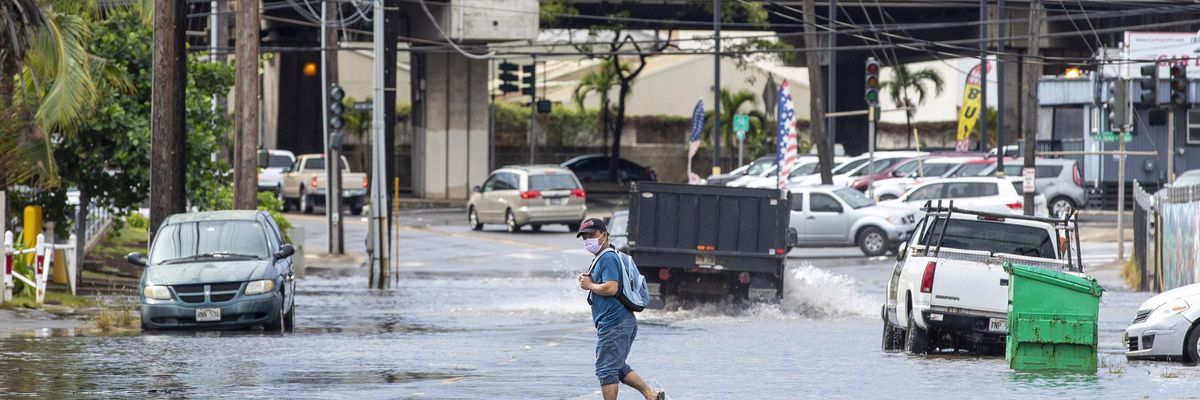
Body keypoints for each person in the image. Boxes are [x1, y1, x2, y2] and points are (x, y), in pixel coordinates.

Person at [577, 217, 664, 400]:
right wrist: (591, 281)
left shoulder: (608, 257)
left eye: (592, 235)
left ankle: (650, 395)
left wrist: (589, 286)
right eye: (584, 237)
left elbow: (611, 287)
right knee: (617, 366)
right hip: (620, 322)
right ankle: (651, 396)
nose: (588, 240)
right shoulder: (605, 256)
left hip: (614, 323)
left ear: (604, 235)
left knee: (606, 369)